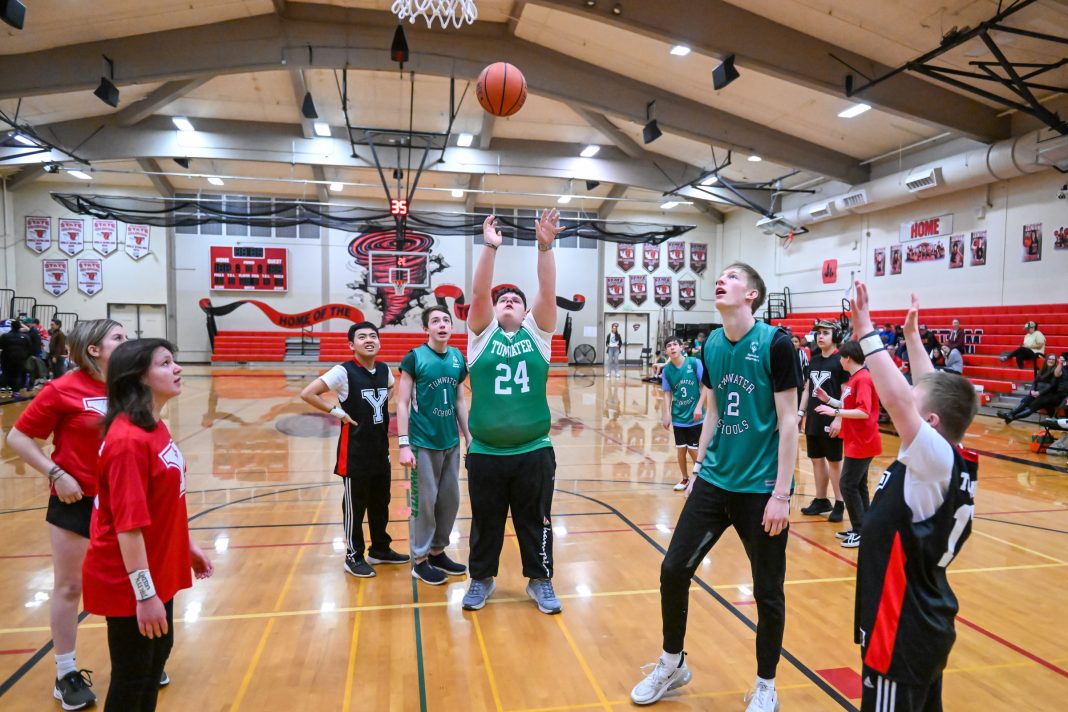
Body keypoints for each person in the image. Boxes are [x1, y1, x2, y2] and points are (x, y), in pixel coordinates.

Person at [630, 262, 800, 711]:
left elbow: (788, 424)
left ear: (752, 294)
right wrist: (698, 469)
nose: (720, 281)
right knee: (673, 571)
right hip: (715, 481)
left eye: (732, 277)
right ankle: (673, 662)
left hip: (762, 490)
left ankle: (766, 684)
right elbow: (716, 413)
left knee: (767, 590)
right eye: (719, 277)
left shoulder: (776, 345)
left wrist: (781, 494)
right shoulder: (712, 346)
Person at [848, 285, 979, 712]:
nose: (907, 393)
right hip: (919, 618)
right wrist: (911, 338)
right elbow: (925, 391)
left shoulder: (933, 459)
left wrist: (867, 332)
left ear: (931, 422)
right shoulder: (943, 457)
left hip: (900, 630)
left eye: (914, 401)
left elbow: (901, 399)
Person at [82, 338, 214, 712]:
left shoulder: (153, 427)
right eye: (165, 363)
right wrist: (144, 594)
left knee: (155, 659)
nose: (178, 368)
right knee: (134, 675)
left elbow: (164, 500)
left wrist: (185, 546)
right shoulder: (127, 441)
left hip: (159, 567)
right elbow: (128, 527)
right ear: (138, 378)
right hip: (130, 580)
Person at [7, 320, 127, 710]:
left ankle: (132, 663)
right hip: (76, 501)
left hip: (122, 502)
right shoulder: (63, 389)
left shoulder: (129, 386)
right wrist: (57, 474)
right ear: (93, 349)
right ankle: (65, 673)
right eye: (119, 338)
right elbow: (18, 437)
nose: (128, 343)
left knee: (128, 582)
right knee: (69, 587)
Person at [461, 209, 563, 614]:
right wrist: (489, 247)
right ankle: (481, 579)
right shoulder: (480, 336)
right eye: (504, 297)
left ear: (526, 313)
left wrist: (545, 246)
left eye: (516, 300)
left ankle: (540, 581)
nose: (509, 300)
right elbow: (480, 291)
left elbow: (548, 288)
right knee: (485, 523)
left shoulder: (539, 337)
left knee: (535, 522)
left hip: (533, 450)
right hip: (486, 451)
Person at [300, 322, 409, 577]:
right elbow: (308, 393)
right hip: (355, 454)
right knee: (355, 507)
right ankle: (353, 555)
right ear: (352, 345)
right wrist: (337, 411)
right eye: (362, 337)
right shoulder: (343, 371)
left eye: (373, 336)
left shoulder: (383, 370)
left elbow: (391, 389)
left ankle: (380, 549)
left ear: (379, 342)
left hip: (380, 450)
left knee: (381, 504)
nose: (369, 340)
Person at [396, 306, 471, 586]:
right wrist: (404, 444)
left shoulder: (457, 358)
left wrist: (469, 438)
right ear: (426, 328)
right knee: (424, 504)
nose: (442, 325)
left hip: (450, 440)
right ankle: (421, 559)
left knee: (450, 501)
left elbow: (460, 402)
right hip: (422, 442)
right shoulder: (415, 358)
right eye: (435, 321)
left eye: (446, 320)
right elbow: (402, 403)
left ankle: (438, 551)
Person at [813, 340, 881, 548]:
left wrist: (834, 412)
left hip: (863, 441)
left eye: (841, 357)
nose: (839, 360)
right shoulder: (855, 379)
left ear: (848, 358)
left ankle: (861, 530)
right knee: (858, 485)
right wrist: (829, 401)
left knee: (848, 484)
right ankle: (865, 529)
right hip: (856, 440)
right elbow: (848, 405)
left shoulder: (863, 379)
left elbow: (863, 411)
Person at [798, 319, 847, 523]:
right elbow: (808, 388)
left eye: (825, 333)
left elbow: (846, 392)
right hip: (814, 418)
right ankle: (820, 500)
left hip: (832, 418)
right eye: (818, 333)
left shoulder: (841, 360)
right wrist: (800, 414)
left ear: (835, 336)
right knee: (816, 459)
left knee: (834, 462)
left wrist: (839, 418)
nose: (820, 336)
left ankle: (839, 502)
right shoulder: (815, 359)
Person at [659, 337, 707, 493]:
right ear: (666, 351)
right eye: (668, 346)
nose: (672, 348)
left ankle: (701, 478)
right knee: (681, 449)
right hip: (678, 416)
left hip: (695, 416)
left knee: (694, 449)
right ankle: (685, 478)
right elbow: (667, 393)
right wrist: (666, 414)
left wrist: (699, 407)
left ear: (681, 348)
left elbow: (706, 386)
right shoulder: (667, 370)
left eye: (675, 345)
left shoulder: (693, 363)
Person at [1000, 353, 1066, 423]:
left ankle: (1011, 417)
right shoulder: (1042, 370)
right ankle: (1010, 414)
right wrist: (1032, 390)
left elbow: (1052, 385)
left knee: (1032, 406)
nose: (1051, 360)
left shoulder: (1055, 370)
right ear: (1046, 360)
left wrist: (1039, 393)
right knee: (1026, 401)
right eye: (1050, 359)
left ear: (1056, 361)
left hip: (1047, 394)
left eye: (1053, 359)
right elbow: (1035, 382)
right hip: (1037, 391)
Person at [0, 319, 33, 396]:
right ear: (19, 327)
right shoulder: (26, 337)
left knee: (6, 373)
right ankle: (16, 391)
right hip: (20, 359)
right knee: (17, 375)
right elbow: (29, 348)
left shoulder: (5, 336)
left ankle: (3, 389)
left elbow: (1, 346)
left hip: (6, 359)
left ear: (11, 326)